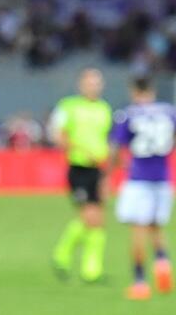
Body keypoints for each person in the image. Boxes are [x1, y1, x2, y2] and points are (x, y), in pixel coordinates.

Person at [110, 77, 176, 301]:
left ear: (133, 90)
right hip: (163, 179)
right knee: (156, 227)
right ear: (153, 89)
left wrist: (113, 170)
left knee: (138, 229)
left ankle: (139, 283)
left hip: (139, 179)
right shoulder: (170, 112)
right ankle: (162, 262)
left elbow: (117, 150)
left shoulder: (127, 114)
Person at [49, 68, 113, 283]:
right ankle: (66, 255)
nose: (94, 86)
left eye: (98, 82)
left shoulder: (105, 109)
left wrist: (107, 173)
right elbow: (58, 135)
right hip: (79, 168)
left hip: (98, 170)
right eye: (90, 82)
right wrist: (81, 150)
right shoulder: (68, 106)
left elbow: (107, 141)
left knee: (98, 220)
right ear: (81, 84)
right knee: (90, 217)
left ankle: (89, 268)